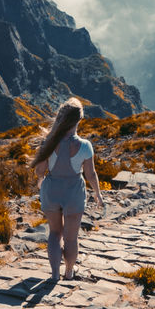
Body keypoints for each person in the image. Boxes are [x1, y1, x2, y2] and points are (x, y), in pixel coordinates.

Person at [31, 97, 107, 286]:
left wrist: (40, 181)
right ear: (79, 119)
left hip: (51, 191)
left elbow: (40, 170)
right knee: (71, 238)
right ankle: (69, 272)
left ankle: (55, 274)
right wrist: (98, 193)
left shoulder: (49, 142)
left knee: (55, 233)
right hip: (74, 193)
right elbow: (91, 174)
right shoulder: (85, 146)